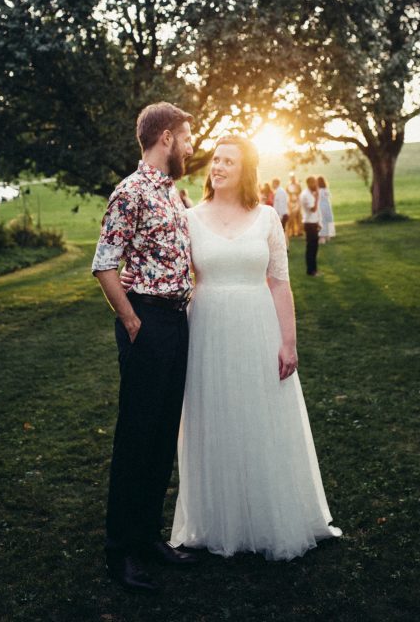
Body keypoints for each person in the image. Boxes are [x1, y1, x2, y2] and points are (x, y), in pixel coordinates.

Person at [170, 135, 341, 559]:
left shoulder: (266, 217)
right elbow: (180, 280)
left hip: (258, 326)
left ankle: (269, 516)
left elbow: (280, 282)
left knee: (260, 416)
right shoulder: (189, 218)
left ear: (246, 170)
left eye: (229, 161)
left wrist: (289, 342)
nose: (219, 167)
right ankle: (217, 520)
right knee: (215, 417)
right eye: (216, 160)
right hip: (207, 327)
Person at [91, 102, 199, 592]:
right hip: (147, 323)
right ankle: (120, 553)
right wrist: (131, 319)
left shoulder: (174, 194)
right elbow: (104, 264)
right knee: (136, 438)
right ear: (167, 138)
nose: (193, 146)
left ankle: (149, 536)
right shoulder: (130, 192)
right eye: (189, 137)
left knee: (161, 436)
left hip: (177, 324)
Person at [299, 176, 321, 277]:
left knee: (315, 247)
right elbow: (313, 209)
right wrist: (317, 198)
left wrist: (318, 222)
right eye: (314, 183)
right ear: (309, 183)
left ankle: (314, 269)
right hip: (309, 224)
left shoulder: (310, 193)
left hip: (313, 223)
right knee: (311, 248)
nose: (316, 185)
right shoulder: (305, 195)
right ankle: (310, 271)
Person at [316, 176, 336, 244]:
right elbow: (330, 197)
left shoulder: (318, 190)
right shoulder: (326, 189)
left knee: (322, 221)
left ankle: (322, 237)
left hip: (321, 207)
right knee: (327, 220)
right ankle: (328, 235)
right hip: (327, 206)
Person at [272, 178, 289, 243]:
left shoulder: (280, 192)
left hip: (282, 215)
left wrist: (280, 217)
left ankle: (285, 247)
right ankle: (285, 247)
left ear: (275, 183)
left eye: (272, 183)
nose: (272, 185)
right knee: (282, 231)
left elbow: (281, 205)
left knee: (282, 232)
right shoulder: (279, 191)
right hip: (281, 214)